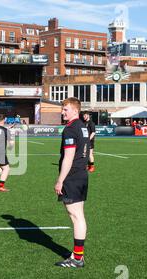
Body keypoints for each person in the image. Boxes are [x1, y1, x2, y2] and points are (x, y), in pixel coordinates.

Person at [54, 97, 90, 268]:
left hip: (73, 176)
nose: (62, 112)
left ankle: (77, 258)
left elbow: (68, 157)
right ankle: (77, 255)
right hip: (82, 174)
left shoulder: (70, 129)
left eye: (65, 109)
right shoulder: (82, 127)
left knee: (75, 216)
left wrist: (60, 180)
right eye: (62, 109)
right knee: (78, 215)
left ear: (75, 110)